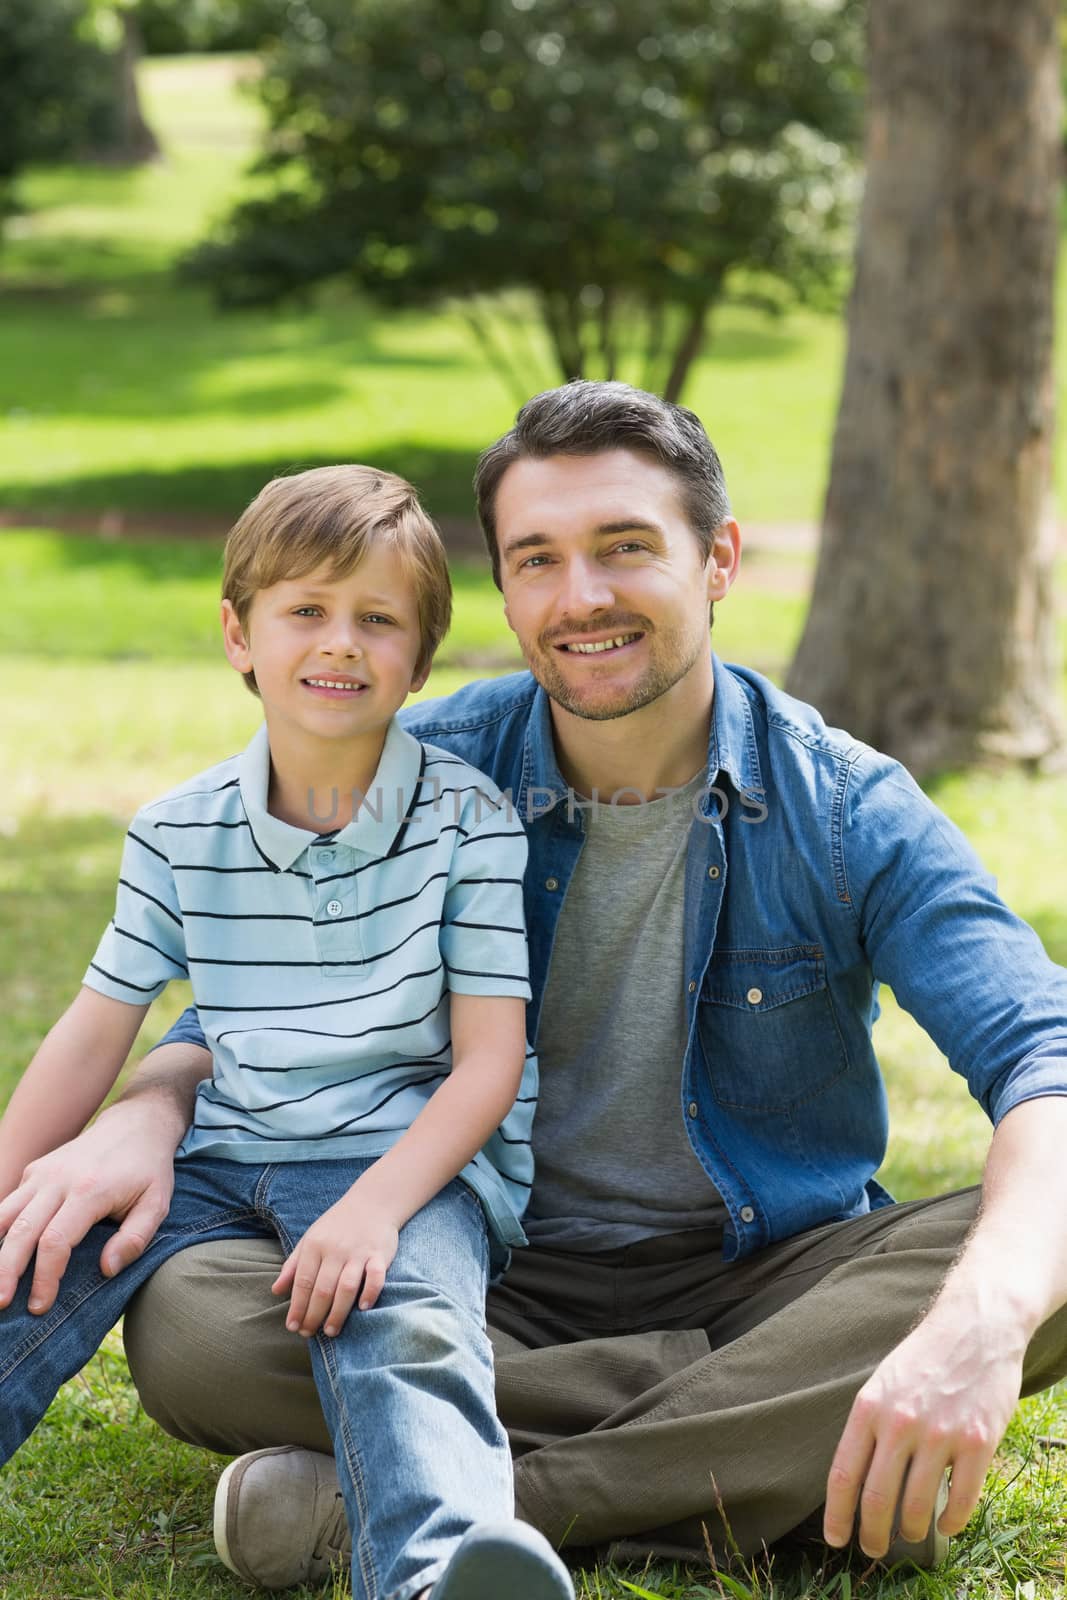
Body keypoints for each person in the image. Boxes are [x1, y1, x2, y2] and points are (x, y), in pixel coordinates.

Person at [3, 385, 1066, 1588]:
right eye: (537, 559)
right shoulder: (428, 767)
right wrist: (148, 1108)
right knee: (192, 1320)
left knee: (1026, 1248)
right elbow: (259, 1002)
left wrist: (975, 1324)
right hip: (468, 1261)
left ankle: (421, 1510)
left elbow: (1043, 1056)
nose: (582, 597)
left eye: (624, 548)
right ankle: (768, 1463)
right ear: (501, 592)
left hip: (765, 1277)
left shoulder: (840, 804)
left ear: (715, 559)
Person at [0, 464, 576, 1600]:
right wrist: (14, 1181)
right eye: (304, 610)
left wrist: (373, 1208)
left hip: (402, 1157)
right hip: (224, 1147)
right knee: (30, 1252)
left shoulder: (469, 822)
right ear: (238, 634)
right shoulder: (177, 830)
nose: (339, 643)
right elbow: (91, 1031)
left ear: (417, 660)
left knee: (401, 1320)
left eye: (376, 619)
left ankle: (435, 1578)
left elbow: (489, 1062)